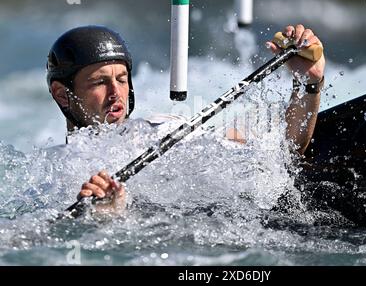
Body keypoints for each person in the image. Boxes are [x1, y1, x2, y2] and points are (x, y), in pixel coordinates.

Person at [46, 24, 325, 215]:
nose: (115, 92)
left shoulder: (165, 131)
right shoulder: (52, 171)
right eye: (99, 82)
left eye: (121, 79)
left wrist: (308, 84)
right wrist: (104, 219)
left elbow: (284, 152)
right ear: (62, 95)